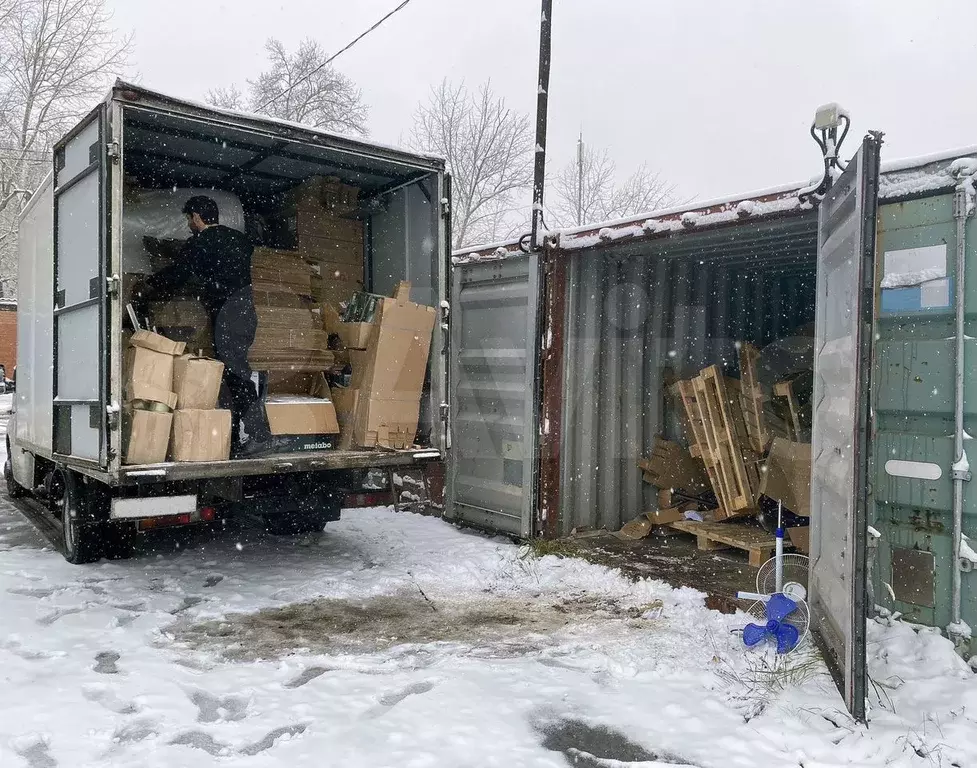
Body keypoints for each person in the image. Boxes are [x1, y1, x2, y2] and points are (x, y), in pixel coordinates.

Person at [137, 196, 273, 457]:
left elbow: (179, 274)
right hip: (245, 310)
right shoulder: (240, 241)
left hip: (228, 313)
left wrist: (150, 286)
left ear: (197, 217)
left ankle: (260, 435)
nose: (189, 223)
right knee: (234, 373)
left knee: (236, 374)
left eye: (189, 218)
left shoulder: (202, 243)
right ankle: (237, 438)